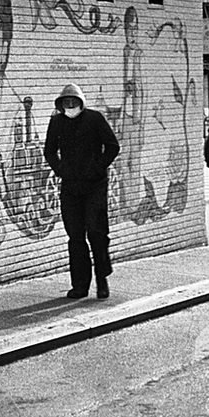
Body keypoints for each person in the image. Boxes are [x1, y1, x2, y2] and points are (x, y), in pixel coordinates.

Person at [43, 83, 120, 299]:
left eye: (73, 102)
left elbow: (112, 146)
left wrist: (98, 166)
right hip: (71, 185)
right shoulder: (57, 122)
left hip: (95, 184)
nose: (70, 106)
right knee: (75, 236)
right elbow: (49, 151)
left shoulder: (95, 119)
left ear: (81, 103)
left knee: (96, 231)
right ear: (60, 105)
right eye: (66, 103)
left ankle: (102, 277)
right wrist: (60, 169)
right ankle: (80, 285)